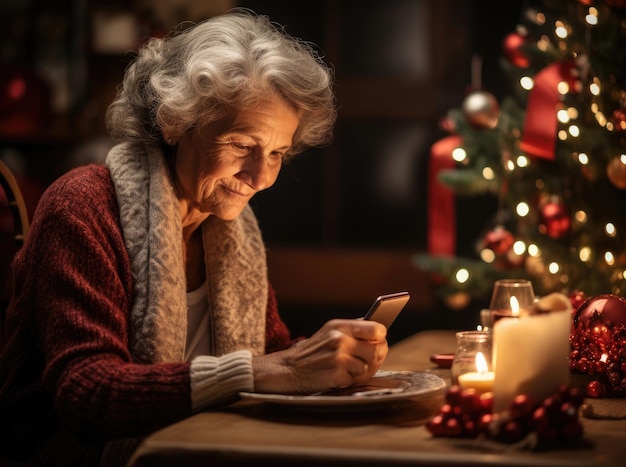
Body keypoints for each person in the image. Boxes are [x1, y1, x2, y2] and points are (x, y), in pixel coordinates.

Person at [0, 8, 389, 467]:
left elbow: (270, 355)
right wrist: (267, 370)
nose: (261, 176)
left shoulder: (230, 229)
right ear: (175, 122)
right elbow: (89, 392)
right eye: (243, 146)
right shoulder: (83, 207)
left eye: (278, 153)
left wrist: (322, 356)